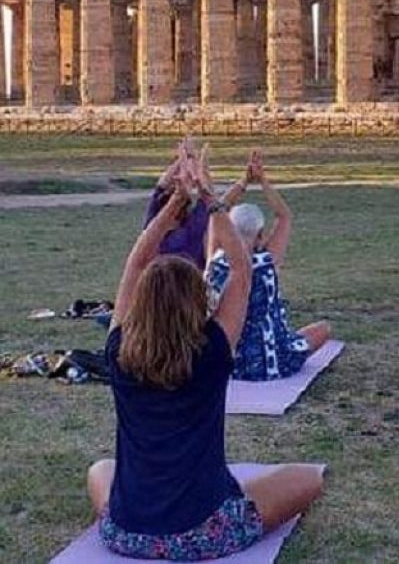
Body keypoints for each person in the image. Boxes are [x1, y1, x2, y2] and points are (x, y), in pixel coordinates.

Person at [87, 158, 322, 561]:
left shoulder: (119, 353)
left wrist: (171, 209)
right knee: (307, 479)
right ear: (196, 302)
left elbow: (135, 265)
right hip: (204, 533)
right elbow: (241, 274)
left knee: (99, 469)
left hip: (126, 533)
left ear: (140, 303)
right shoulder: (211, 353)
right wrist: (211, 201)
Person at [206, 149, 331, 382]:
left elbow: (217, 211)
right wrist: (262, 180)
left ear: (227, 231)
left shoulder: (215, 258)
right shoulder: (267, 261)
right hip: (272, 361)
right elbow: (284, 217)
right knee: (323, 329)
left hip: (225, 361)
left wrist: (243, 182)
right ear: (261, 234)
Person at [144, 138, 249, 269]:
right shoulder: (191, 230)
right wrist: (199, 166)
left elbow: (161, 186)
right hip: (193, 287)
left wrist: (184, 160)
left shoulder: (152, 229)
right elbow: (213, 200)